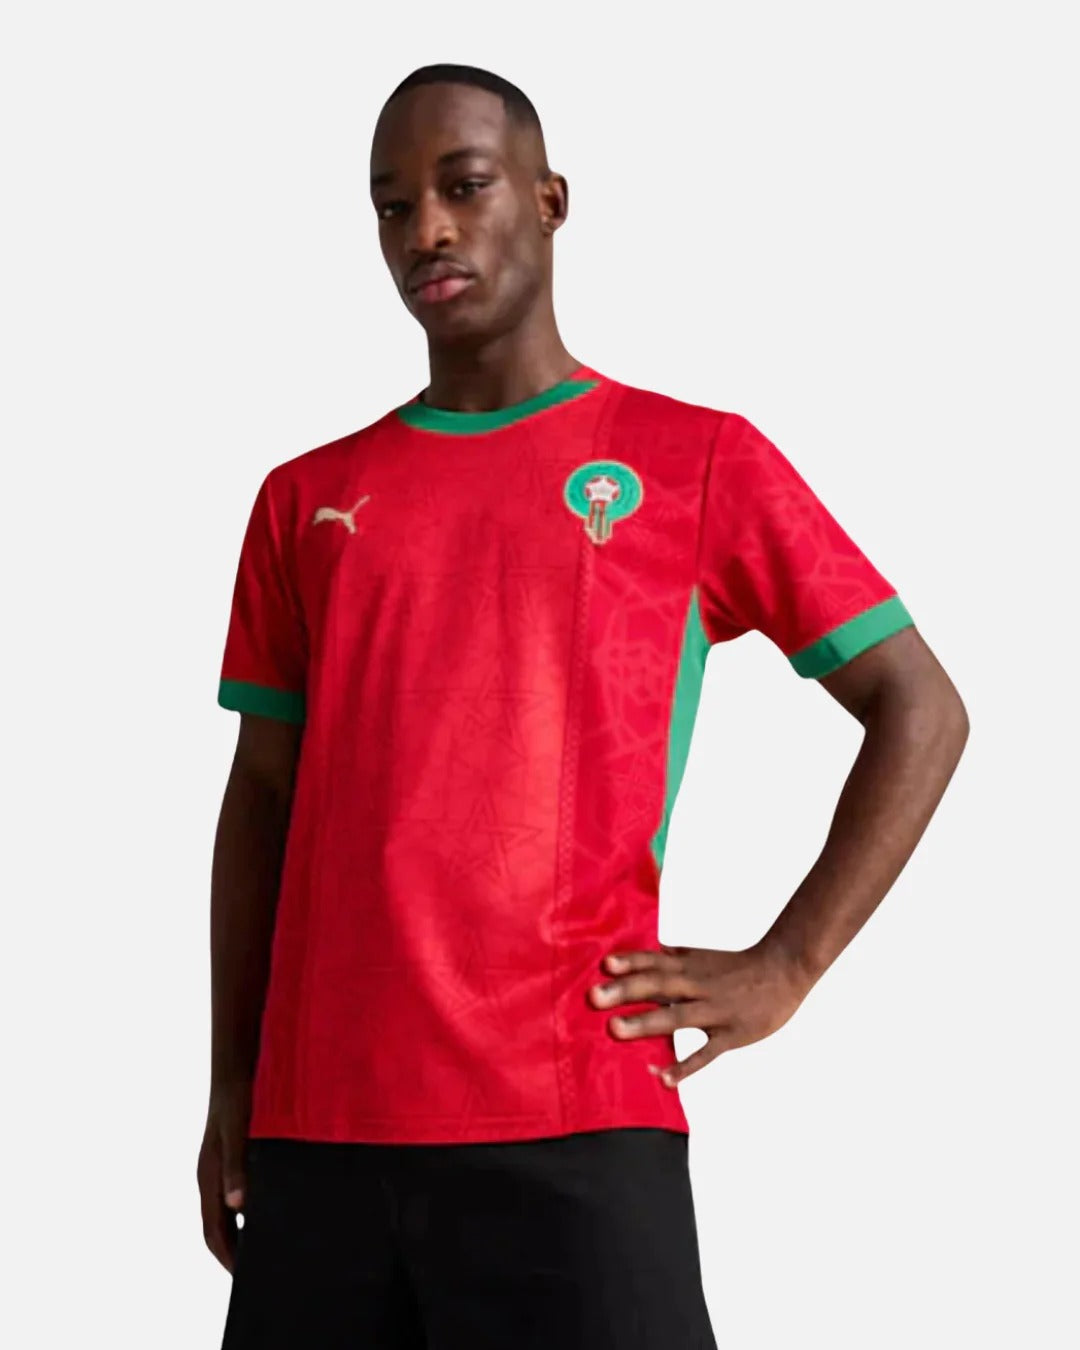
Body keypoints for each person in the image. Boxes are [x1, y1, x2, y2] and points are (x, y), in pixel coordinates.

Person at [198, 62, 969, 1349]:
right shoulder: (304, 499)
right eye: (393, 205)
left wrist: (787, 965)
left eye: (465, 186)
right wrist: (233, 1080)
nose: (426, 229)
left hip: (575, 1120)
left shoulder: (695, 461)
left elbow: (921, 709)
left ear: (550, 200)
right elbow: (262, 799)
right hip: (321, 1133)